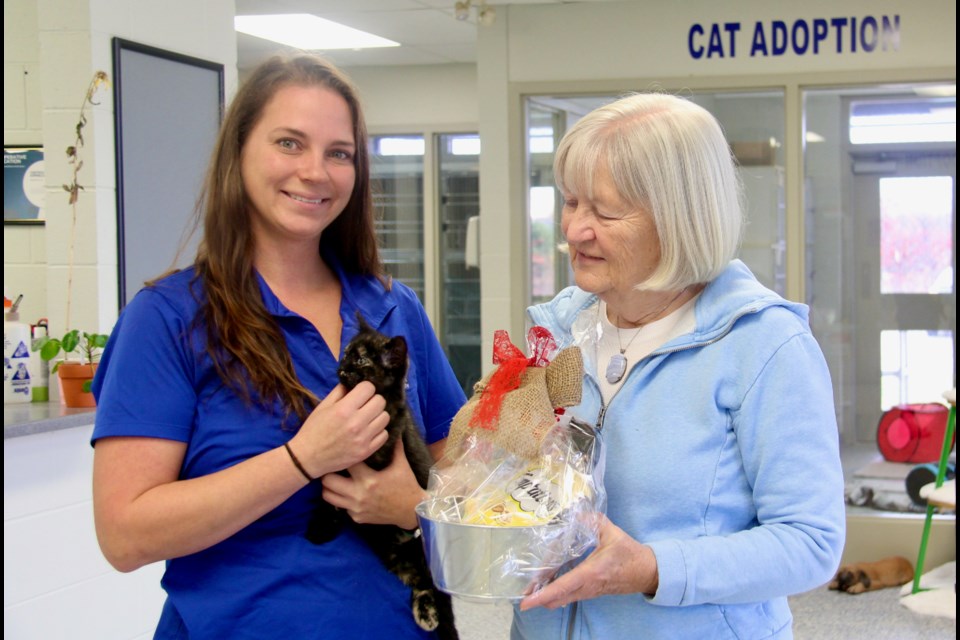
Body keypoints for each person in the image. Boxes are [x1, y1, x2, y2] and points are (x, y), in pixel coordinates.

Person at [90, 54, 466, 639]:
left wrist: (418, 503)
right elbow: (124, 535)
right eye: (290, 143)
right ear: (238, 153)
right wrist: (301, 459)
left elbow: (468, 474)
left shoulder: (394, 310)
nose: (316, 171)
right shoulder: (169, 320)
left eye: (339, 153)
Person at [513, 93, 845, 639]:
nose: (574, 230)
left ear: (680, 218)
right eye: (572, 202)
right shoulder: (559, 329)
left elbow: (811, 543)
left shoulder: (764, 345)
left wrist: (653, 569)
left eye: (605, 210)